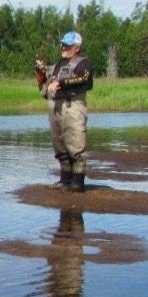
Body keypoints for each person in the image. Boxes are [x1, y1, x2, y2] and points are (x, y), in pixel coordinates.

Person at [35, 31, 94, 192]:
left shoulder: (84, 63)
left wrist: (61, 82)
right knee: (59, 147)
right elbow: (43, 86)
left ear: (76, 48)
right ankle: (65, 180)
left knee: (75, 146)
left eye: (67, 46)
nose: (63, 47)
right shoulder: (58, 64)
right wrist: (40, 72)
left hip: (73, 108)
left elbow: (84, 79)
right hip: (55, 108)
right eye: (62, 44)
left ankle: (77, 183)